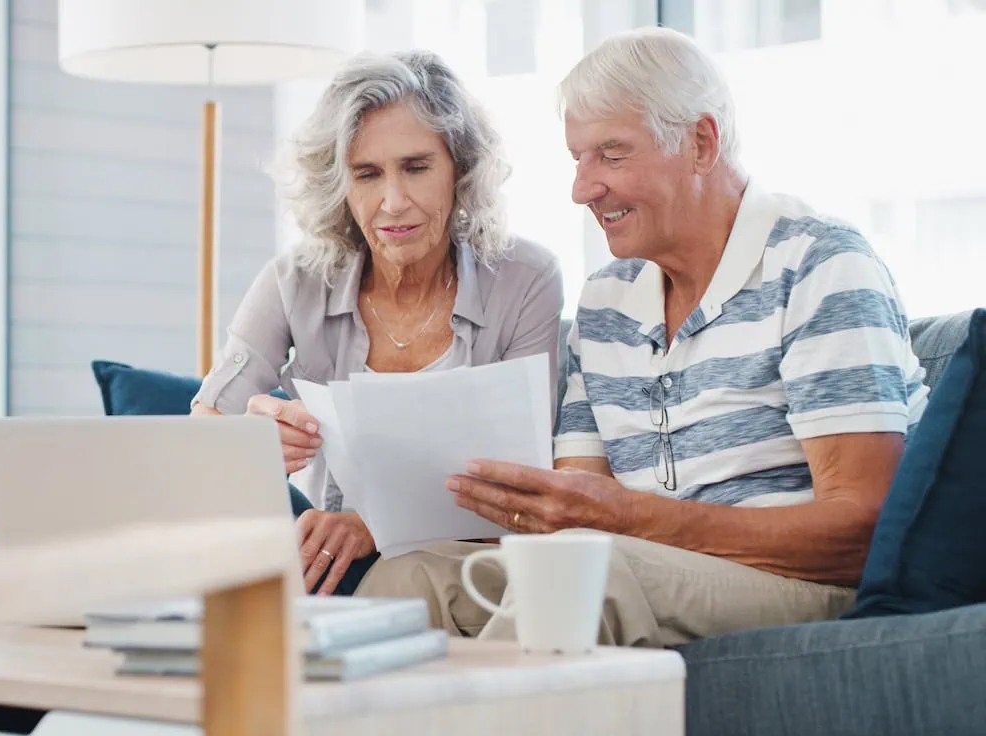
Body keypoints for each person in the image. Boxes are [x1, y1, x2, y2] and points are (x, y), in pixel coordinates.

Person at [353, 27, 929, 647]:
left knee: (584, 574)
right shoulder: (606, 300)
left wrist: (629, 520)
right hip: (643, 568)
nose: (583, 188)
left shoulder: (818, 264)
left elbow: (861, 531)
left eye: (612, 154)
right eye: (579, 158)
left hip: (803, 584)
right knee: (408, 578)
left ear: (701, 142)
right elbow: (573, 505)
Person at [192, 50, 564, 597]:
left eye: (416, 167)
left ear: (459, 168)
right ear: (339, 185)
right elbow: (201, 437)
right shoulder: (295, 279)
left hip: (468, 565)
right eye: (367, 174)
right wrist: (250, 447)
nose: (393, 202)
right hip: (322, 567)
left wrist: (372, 527)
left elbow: (525, 482)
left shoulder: (525, 278)